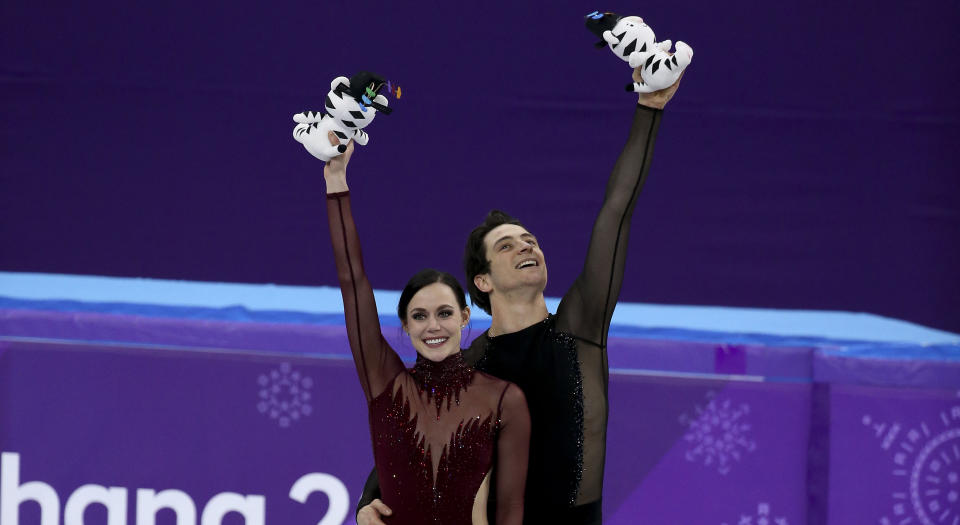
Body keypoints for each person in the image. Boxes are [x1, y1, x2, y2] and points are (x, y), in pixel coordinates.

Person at [356, 67, 683, 525]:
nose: (526, 247)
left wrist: (650, 108)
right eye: (507, 246)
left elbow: (617, 211)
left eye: (530, 240)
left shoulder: (580, 327)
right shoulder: (470, 368)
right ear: (483, 281)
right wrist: (367, 503)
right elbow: (405, 441)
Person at [323, 131, 531, 525]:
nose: (432, 326)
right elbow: (352, 280)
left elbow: (510, 511)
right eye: (419, 316)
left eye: (444, 313)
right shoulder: (386, 384)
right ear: (404, 325)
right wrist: (336, 180)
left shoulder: (505, 399)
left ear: (465, 317)